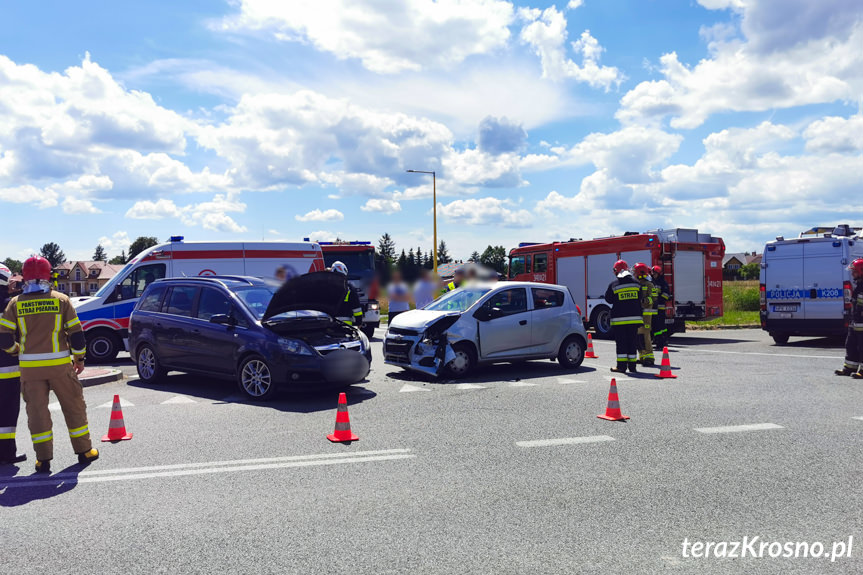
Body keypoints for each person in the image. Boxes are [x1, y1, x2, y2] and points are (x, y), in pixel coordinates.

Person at [0, 256, 98, 473]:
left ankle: (43, 460)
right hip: (60, 367)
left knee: (37, 414)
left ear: (24, 277)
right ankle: (84, 451)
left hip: (29, 371)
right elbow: (76, 335)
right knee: (74, 408)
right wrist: (79, 359)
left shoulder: (15, 304)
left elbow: (4, 339)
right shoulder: (61, 300)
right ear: (49, 275)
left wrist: (18, 352)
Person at [0, 263, 25, 465]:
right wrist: (17, 350)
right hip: (7, 371)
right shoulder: (9, 305)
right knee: (7, 415)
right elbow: (8, 339)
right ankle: (7, 454)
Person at [604, 260, 643, 374]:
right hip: (634, 320)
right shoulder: (637, 283)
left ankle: (621, 366)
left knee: (621, 343)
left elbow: (608, 299)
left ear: (617, 271)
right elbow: (640, 297)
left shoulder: (614, 285)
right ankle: (632, 367)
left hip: (619, 320)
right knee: (632, 342)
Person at [836, 259, 863, 378]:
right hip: (855, 323)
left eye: (855, 272)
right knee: (851, 345)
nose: (853, 274)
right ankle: (849, 368)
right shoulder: (859, 286)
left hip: (861, 324)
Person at [633, 263, 656, 366]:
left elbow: (654, 298)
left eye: (635, 272)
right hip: (638, 314)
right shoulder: (636, 284)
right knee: (638, 336)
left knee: (645, 336)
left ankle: (649, 358)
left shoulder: (649, 284)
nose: (633, 274)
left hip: (646, 315)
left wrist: (643, 301)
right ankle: (642, 356)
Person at [330, 261, 364, 328]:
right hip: (345, 324)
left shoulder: (326, 286)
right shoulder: (349, 287)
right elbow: (356, 307)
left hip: (329, 323)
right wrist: (359, 321)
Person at [651, 265, 671, 349]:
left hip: (660, 308)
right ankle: (657, 340)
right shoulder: (652, 282)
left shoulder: (663, 282)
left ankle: (662, 341)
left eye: (655, 273)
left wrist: (658, 299)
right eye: (653, 273)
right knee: (655, 325)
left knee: (660, 326)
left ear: (659, 274)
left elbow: (667, 295)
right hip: (653, 308)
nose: (653, 275)